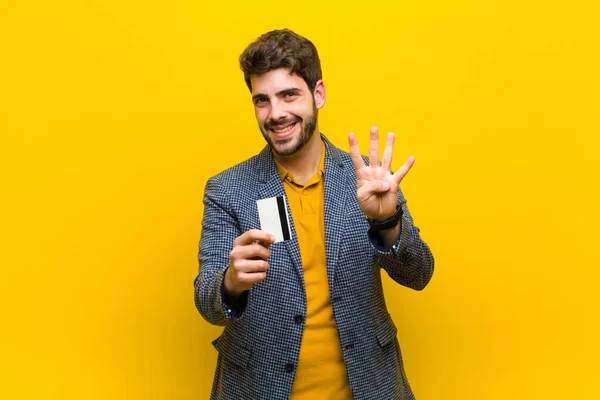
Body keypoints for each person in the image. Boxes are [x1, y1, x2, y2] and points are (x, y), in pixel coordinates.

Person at [194, 28, 434, 400]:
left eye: (289, 95)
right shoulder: (227, 190)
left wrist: (387, 222)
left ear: (317, 94)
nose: (276, 114)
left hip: (369, 387)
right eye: (262, 100)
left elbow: (419, 275)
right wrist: (230, 282)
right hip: (260, 388)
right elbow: (208, 302)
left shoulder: (369, 180)